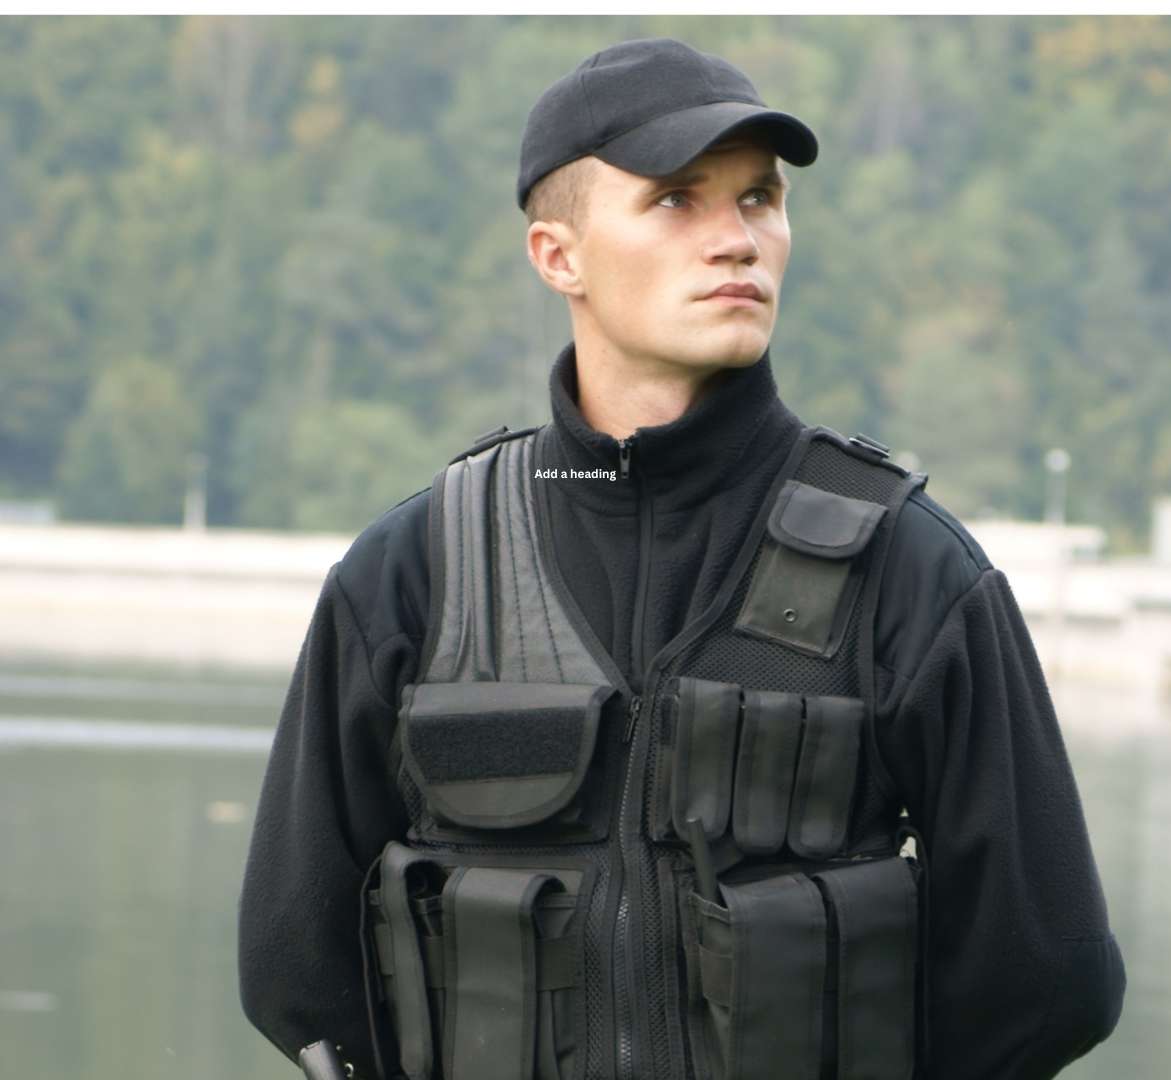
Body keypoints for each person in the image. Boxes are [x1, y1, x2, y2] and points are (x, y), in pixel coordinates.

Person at [236, 35, 1124, 1080]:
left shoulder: (910, 571)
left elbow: (1051, 975)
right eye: (676, 202)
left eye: (759, 199)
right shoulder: (413, 573)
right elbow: (294, 964)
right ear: (557, 255)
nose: (737, 239)